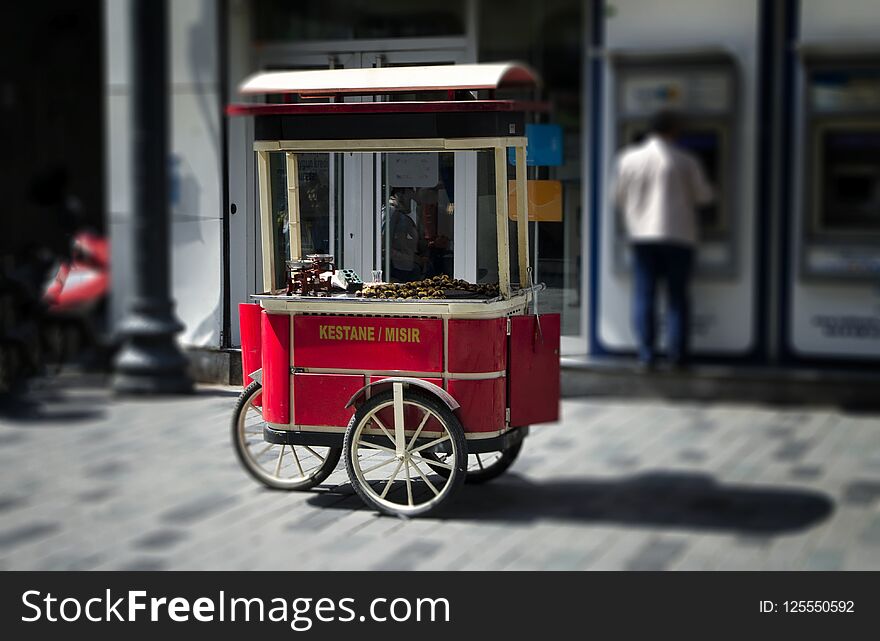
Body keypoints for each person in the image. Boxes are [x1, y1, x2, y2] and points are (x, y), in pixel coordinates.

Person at [613, 110, 714, 370]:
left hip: (643, 237)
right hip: (678, 235)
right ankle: (677, 355)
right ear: (674, 130)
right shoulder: (685, 160)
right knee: (677, 297)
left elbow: (618, 199)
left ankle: (647, 354)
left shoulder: (628, 159)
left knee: (644, 294)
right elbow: (704, 197)